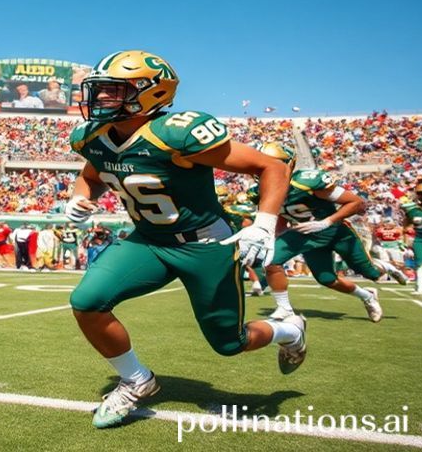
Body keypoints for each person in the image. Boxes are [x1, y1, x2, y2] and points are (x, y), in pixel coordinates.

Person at [65, 50, 304, 429]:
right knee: (87, 302)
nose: (102, 98)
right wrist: (81, 197)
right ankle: (136, 380)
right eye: (100, 90)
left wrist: (263, 223)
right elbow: (92, 175)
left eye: (114, 90)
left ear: (152, 93)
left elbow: (270, 166)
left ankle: (290, 330)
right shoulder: (91, 136)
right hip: (147, 240)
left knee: (229, 343)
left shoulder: (176, 132)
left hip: (205, 244)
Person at [253, 143, 403, 323]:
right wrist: (275, 235)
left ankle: (385, 267)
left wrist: (325, 222)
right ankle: (365, 296)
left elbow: (356, 203)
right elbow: (282, 214)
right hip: (305, 235)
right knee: (285, 266)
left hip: (336, 231)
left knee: (372, 274)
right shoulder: (259, 191)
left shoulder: (306, 181)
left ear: (287, 164)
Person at [395, 182, 422, 295]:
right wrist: (402, 240)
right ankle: (420, 286)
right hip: (420, 239)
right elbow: (405, 226)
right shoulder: (412, 210)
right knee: (419, 262)